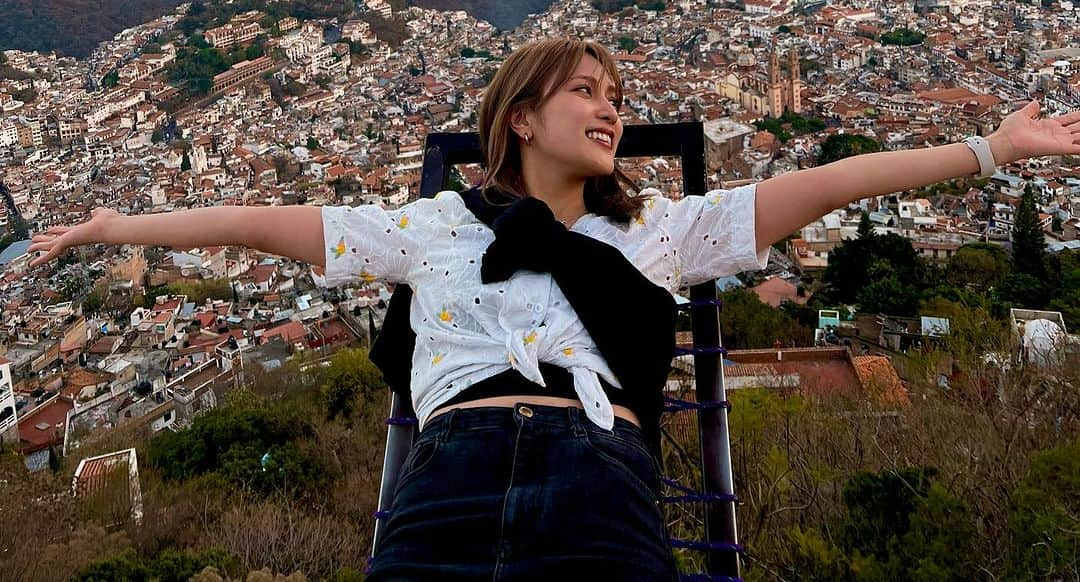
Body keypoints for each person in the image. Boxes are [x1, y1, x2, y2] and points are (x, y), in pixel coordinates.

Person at [28, 37, 1080, 580]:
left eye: (615, 93)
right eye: (585, 89)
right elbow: (262, 224)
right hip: (451, 480)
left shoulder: (660, 232)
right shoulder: (432, 227)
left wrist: (990, 149)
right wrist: (110, 229)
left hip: (597, 476)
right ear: (521, 116)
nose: (611, 105)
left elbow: (827, 188)